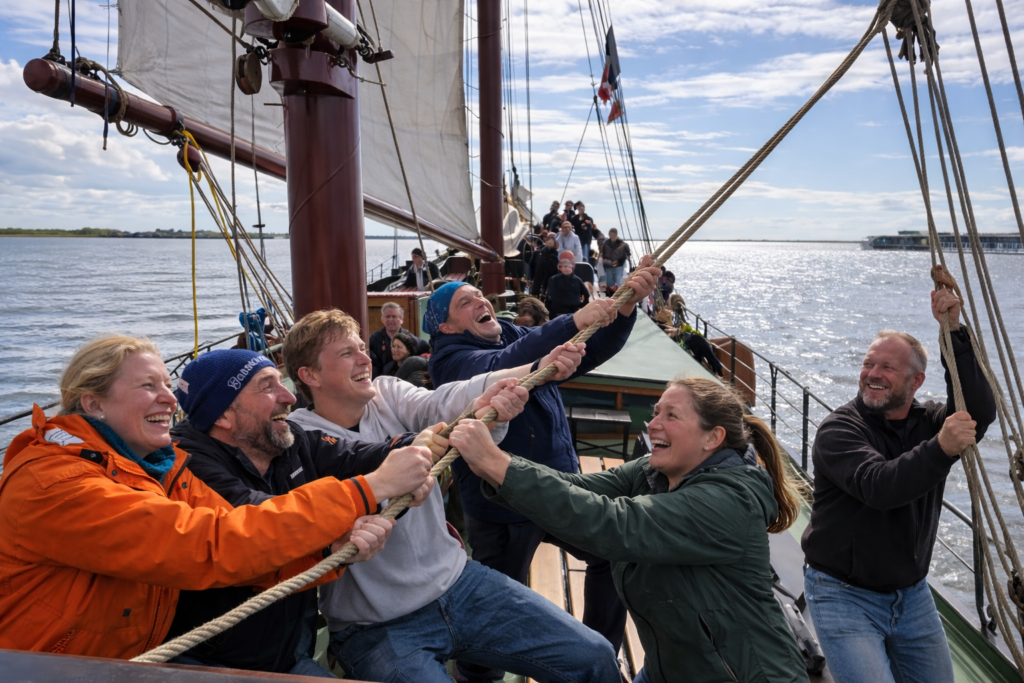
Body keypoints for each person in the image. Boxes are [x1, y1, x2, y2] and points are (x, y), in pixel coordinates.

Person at [0, 335, 428, 660]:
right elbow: (213, 542)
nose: (169, 399)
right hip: (40, 666)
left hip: (121, 664)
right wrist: (365, 492)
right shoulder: (57, 484)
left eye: (167, 385)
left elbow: (240, 537)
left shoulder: (161, 469)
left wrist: (329, 552)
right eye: (149, 386)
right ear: (93, 403)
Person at [276, 308, 619, 683]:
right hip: (375, 623)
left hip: (459, 583)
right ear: (309, 376)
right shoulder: (294, 445)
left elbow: (442, 402)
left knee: (594, 657)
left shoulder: (387, 394)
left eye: (362, 347)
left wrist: (528, 374)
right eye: (347, 353)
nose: (365, 358)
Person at [451, 377, 809, 683]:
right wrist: (494, 465)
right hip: (669, 668)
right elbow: (576, 490)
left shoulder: (729, 501)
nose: (653, 424)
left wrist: (497, 465)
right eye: (656, 412)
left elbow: (615, 523)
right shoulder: (652, 473)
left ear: (712, 438)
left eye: (671, 416)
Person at [424, 263, 660, 680]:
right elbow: (503, 362)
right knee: (496, 606)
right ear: (444, 327)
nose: (481, 300)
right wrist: (571, 320)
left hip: (558, 487)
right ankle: (476, 675)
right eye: (466, 303)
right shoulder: (452, 361)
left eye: (479, 295)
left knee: (614, 552)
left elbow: (589, 348)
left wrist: (624, 310)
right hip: (503, 507)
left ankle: (599, 649)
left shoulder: (515, 333)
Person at [165, 348, 437, 676]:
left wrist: (415, 447)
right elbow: (261, 520)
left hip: (289, 653)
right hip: (209, 664)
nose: (290, 397)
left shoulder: (288, 443)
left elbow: (354, 455)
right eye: (268, 387)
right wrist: (375, 487)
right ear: (223, 416)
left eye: (282, 382)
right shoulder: (188, 468)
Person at [801, 283, 996, 683]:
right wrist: (940, 449)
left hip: (911, 595)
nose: (872, 374)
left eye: (887, 368)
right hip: (843, 593)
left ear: (916, 381)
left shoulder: (928, 421)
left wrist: (954, 333)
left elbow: (976, 411)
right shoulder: (839, 430)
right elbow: (880, 487)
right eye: (868, 364)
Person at [369, 302, 430, 377]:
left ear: (401, 319)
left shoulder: (411, 339)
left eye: (394, 317)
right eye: (387, 316)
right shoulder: (374, 339)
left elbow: (427, 352)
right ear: (382, 319)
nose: (390, 320)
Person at [529, 233, 560, 299]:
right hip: (538, 283)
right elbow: (532, 266)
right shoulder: (538, 253)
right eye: (549, 239)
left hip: (549, 285)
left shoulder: (557, 254)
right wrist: (530, 279)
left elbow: (556, 270)